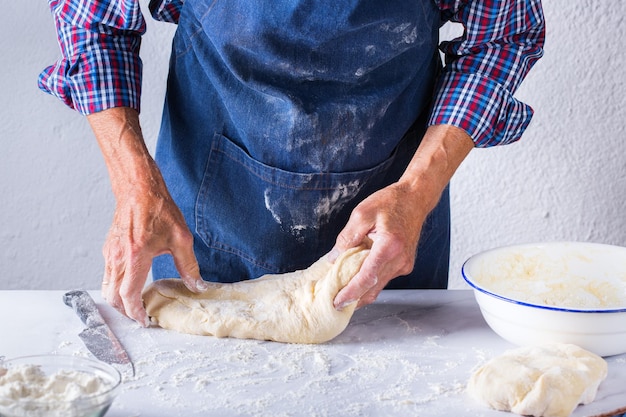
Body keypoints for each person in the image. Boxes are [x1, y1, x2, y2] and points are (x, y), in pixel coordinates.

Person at [40, 0, 545, 327]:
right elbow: (92, 24)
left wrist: (417, 192)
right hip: (211, 213)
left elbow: (503, 37)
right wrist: (134, 184)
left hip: (390, 220)